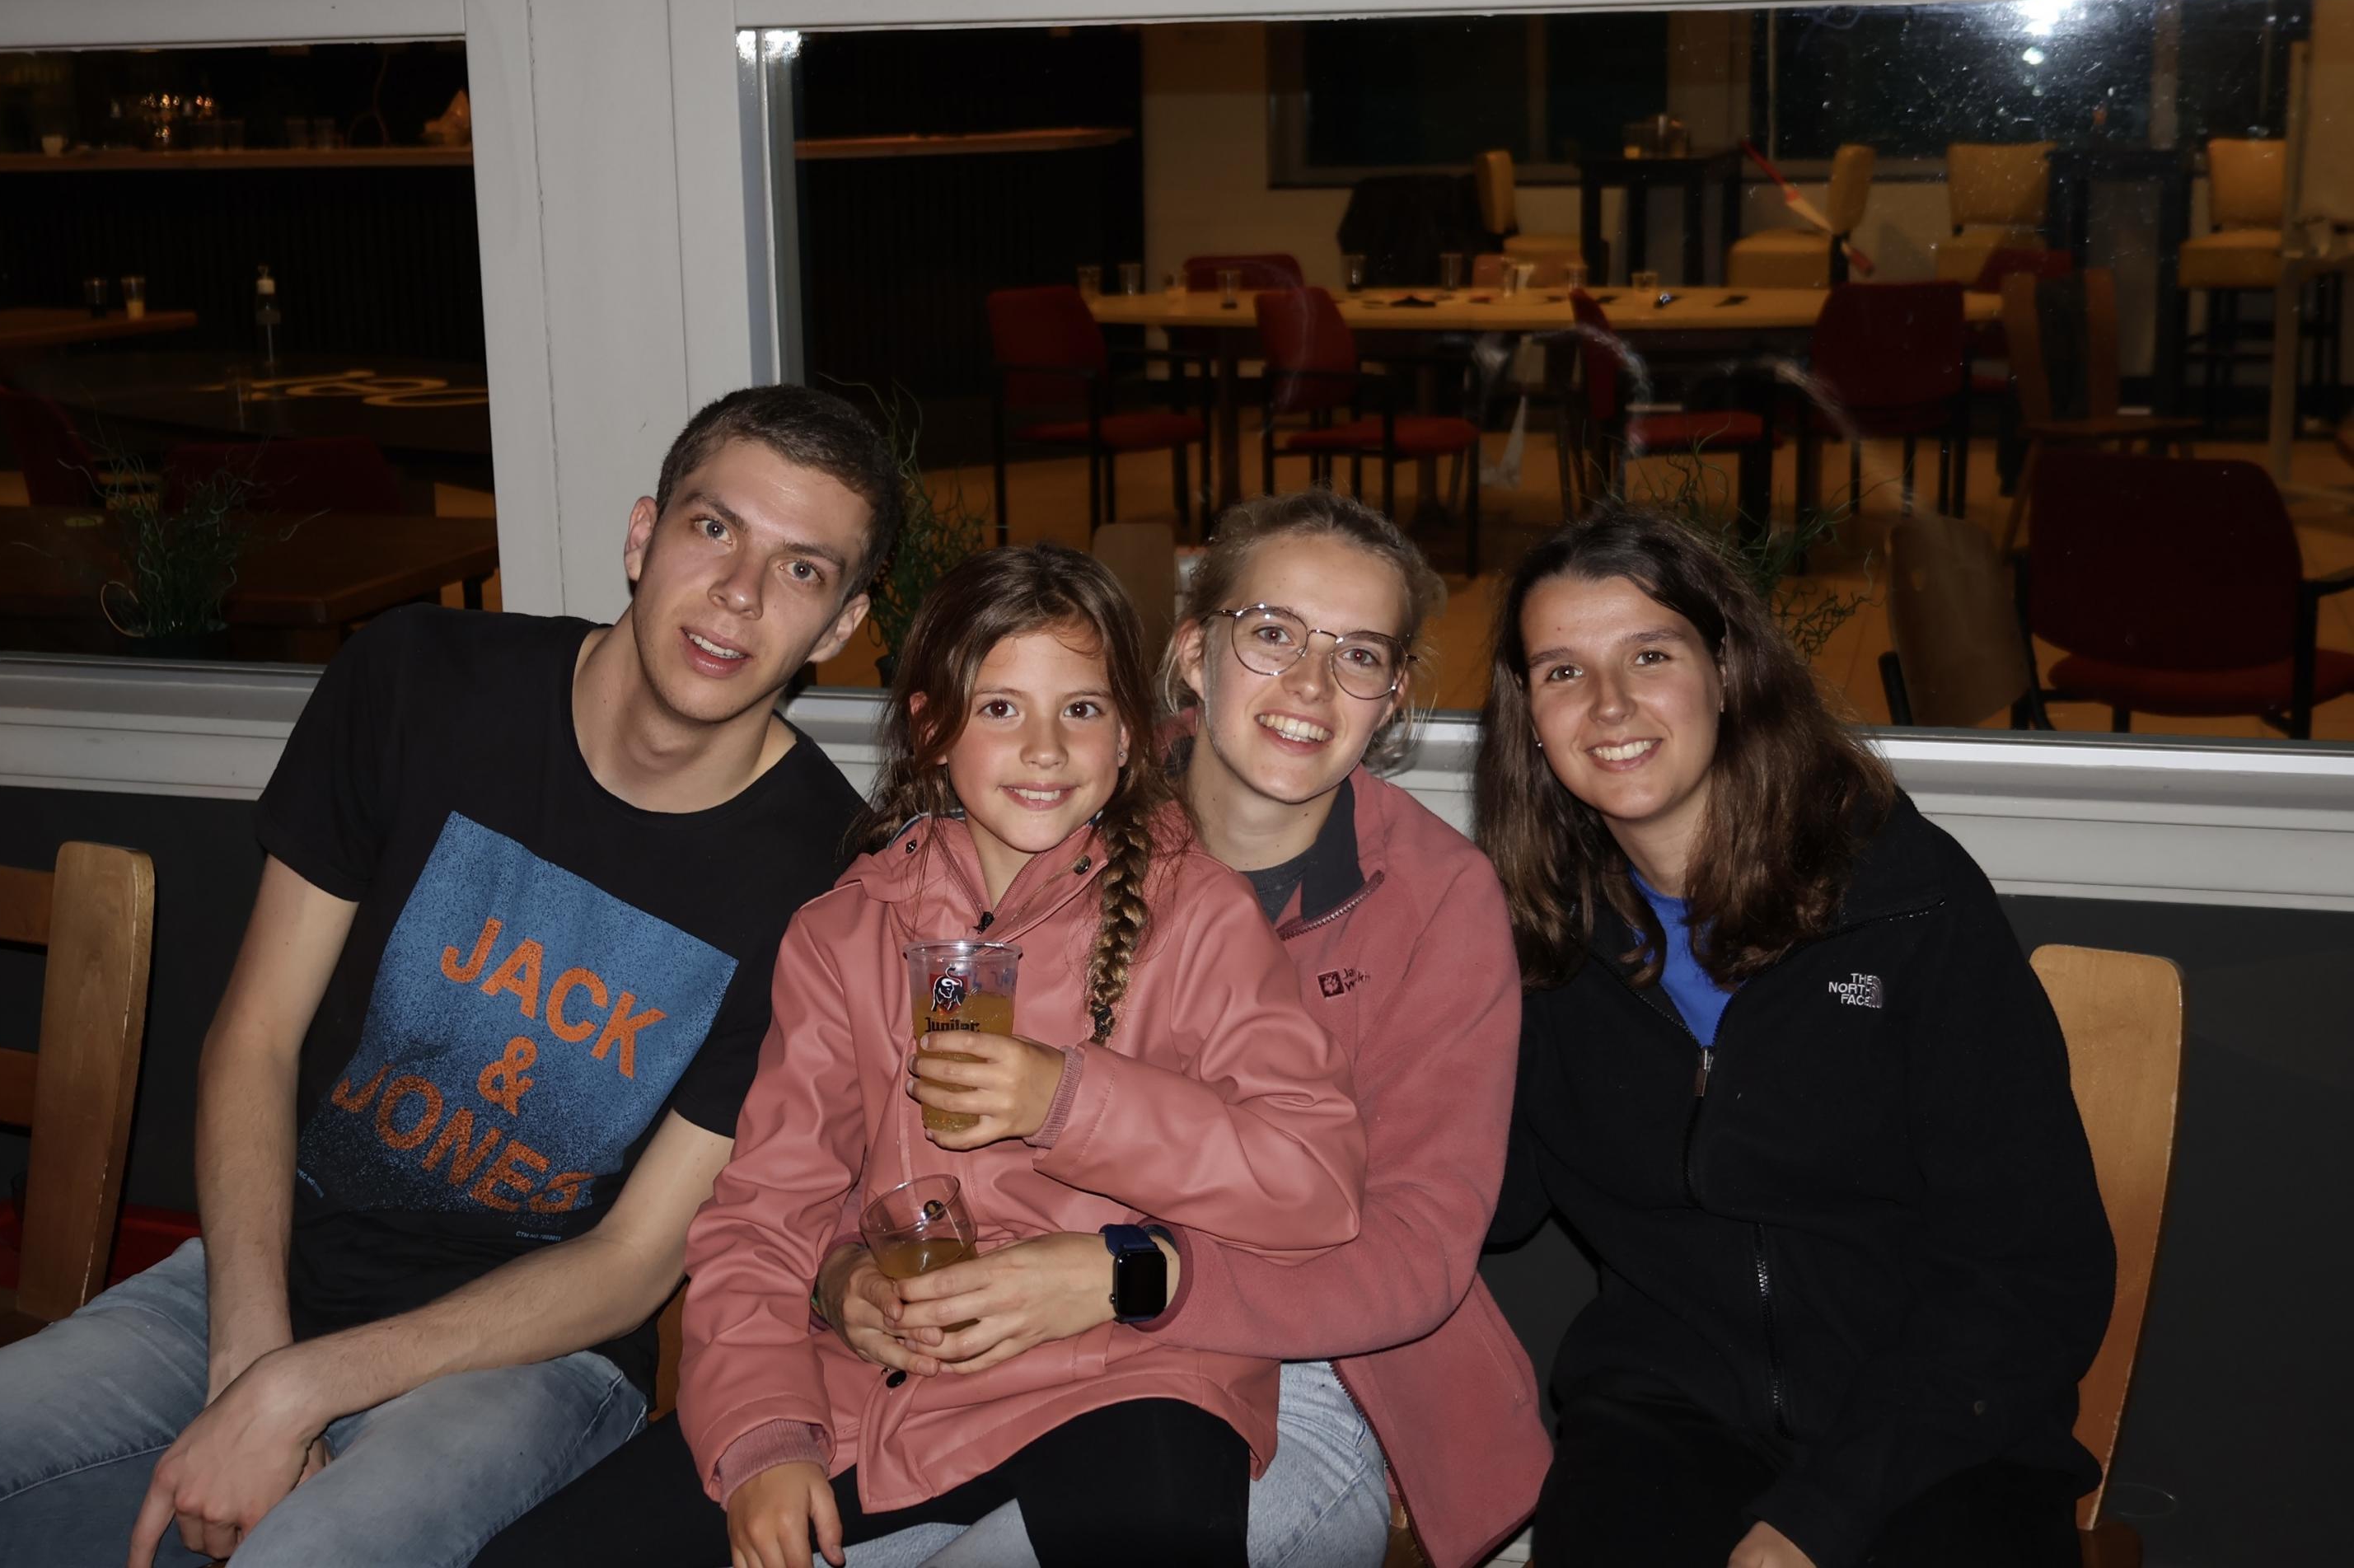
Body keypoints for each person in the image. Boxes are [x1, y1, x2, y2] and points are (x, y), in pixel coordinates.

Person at [0, 385, 901, 1568]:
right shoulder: (419, 681)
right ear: (642, 535)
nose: (738, 592)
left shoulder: (825, 884)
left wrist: (304, 1389)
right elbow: (255, 1037)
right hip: (260, 1277)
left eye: (800, 570)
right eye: (713, 528)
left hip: (535, 1359)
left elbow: (633, 1263)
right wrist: (253, 1361)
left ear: (839, 626)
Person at [478, 542, 1366, 1568]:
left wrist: (1067, 1100)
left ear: (1127, 734)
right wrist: (770, 1428)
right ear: (932, 728)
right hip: (883, 1391)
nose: (1044, 748)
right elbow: (765, 1212)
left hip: (1123, 1381)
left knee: (1155, 1509)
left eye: (1080, 709)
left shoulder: (1199, 915)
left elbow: (1315, 1181)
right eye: (1000, 708)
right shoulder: (845, 930)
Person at [829, 490, 1549, 1568]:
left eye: (1358, 655)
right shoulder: (1052, 791)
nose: (1311, 685)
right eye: (1273, 634)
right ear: (1195, 653)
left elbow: (1414, 1252)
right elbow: (863, 1117)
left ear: (1394, 697)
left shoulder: (1441, 901)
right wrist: (842, 1274)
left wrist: (1119, 1274)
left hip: (1314, 1369)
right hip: (1010, 1340)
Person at [1475, 506, 2115, 1568]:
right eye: (1563, 671)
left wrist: (1817, 1521)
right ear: (1529, 714)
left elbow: (2031, 1272)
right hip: (1666, 1420)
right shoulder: (1539, 944)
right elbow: (1482, 1201)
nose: (1610, 704)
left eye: (1650, 654)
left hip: (1941, 1431)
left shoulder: (1905, 903)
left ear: (1727, 669)